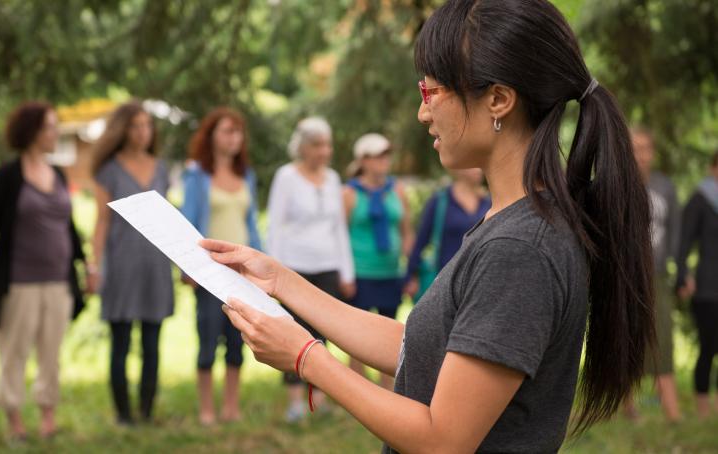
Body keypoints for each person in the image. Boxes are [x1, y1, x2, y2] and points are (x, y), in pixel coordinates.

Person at [200, 1, 655, 451]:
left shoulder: (521, 248)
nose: (422, 113)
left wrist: (306, 358)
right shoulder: (515, 223)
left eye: (431, 92)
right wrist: (280, 279)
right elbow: (422, 346)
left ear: (498, 99)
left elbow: (443, 440)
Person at [0, 101, 90, 440]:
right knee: (14, 352)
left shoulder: (60, 174)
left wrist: (86, 266)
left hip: (58, 281)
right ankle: (15, 422)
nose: (55, 133)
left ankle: (48, 418)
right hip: (18, 281)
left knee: (50, 354)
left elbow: (69, 227)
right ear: (32, 132)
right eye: (50, 127)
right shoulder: (8, 176)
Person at [90, 100, 174, 425]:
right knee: (121, 341)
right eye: (136, 125)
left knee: (153, 342)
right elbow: (101, 222)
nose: (143, 132)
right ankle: (124, 414)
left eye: (147, 125)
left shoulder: (161, 168)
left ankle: (147, 411)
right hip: (122, 264)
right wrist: (95, 266)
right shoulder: (108, 171)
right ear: (123, 129)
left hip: (155, 265)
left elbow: (169, 219)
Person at [266, 116, 355, 421]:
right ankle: (294, 401)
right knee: (295, 331)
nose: (324, 151)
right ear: (303, 147)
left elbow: (339, 228)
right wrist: (272, 271)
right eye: (318, 145)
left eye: (327, 145)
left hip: (327, 265)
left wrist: (347, 271)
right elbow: (275, 225)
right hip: (294, 267)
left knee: (323, 331)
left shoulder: (332, 179)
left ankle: (317, 396)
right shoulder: (286, 176)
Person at [181, 107, 262, 425]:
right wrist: (187, 267)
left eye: (238, 131)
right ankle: (206, 410)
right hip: (208, 272)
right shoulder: (197, 176)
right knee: (207, 340)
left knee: (236, 342)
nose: (234, 137)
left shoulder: (247, 176)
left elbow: (251, 223)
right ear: (211, 135)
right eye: (227, 131)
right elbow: (188, 222)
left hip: (240, 272)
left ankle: (231, 406)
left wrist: (260, 263)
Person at [342, 133, 412, 390]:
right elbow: (340, 234)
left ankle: (386, 385)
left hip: (391, 272)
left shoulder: (397, 190)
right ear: (364, 160)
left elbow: (406, 231)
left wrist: (411, 269)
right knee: (359, 332)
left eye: (386, 155)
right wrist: (345, 274)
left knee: (392, 331)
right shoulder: (349, 193)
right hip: (361, 272)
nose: (385, 160)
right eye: (378, 155)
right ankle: (358, 386)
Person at [624, 127, 681, 422]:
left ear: (653, 152)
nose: (640, 154)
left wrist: (672, 261)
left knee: (662, 337)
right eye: (634, 147)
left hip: (656, 274)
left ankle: (672, 409)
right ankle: (627, 405)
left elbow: (674, 228)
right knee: (626, 336)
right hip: (625, 276)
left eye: (645, 147)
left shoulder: (665, 187)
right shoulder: (618, 184)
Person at [404, 168, 490, 299]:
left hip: (478, 280)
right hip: (444, 280)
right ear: (461, 168)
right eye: (474, 166)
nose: (478, 170)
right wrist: (411, 276)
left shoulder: (489, 202)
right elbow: (421, 240)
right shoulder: (440, 201)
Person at [677, 151, 718, 418]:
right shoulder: (700, 199)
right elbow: (683, 242)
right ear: (713, 167)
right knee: (709, 346)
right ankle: (702, 403)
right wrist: (683, 275)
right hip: (706, 288)